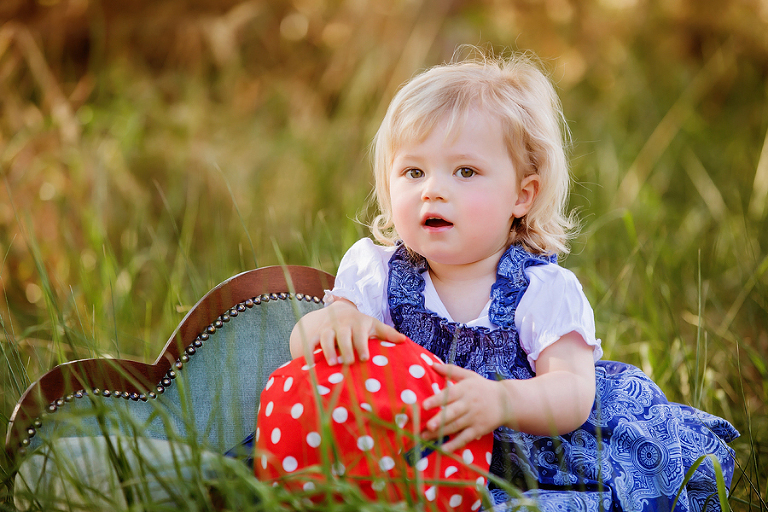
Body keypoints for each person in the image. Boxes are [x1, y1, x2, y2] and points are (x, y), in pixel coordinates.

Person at [253, 50, 739, 511]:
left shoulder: (540, 290)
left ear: (521, 196)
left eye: (465, 171)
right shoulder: (375, 273)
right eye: (413, 171)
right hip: (420, 464)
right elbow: (302, 346)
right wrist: (333, 321)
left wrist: (501, 401)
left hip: (533, 460)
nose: (434, 190)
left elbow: (572, 392)